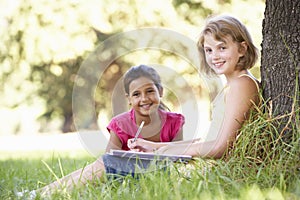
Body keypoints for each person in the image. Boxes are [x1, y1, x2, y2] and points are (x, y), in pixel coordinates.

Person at [17, 64, 185, 197]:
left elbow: (177, 157)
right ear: (128, 99)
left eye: (150, 91)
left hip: (156, 175)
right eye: (136, 94)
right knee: (96, 166)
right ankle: (41, 193)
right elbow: (109, 160)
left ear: (160, 92)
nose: (144, 99)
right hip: (124, 178)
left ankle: (40, 194)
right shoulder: (120, 124)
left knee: (100, 165)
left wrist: (149, 149)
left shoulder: (175, 121)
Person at [128, 14, 261, 158]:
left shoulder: (242, 84)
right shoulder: (232, 85)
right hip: (215, 166)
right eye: (209, 50)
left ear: (242, 49)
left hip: (225, 171)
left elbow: (222, 147)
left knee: (109, 165)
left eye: (222, 48)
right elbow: (210, 140)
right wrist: (155, 147)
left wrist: (164, 152)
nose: (214, 56)